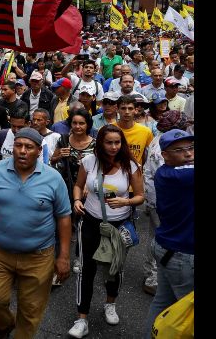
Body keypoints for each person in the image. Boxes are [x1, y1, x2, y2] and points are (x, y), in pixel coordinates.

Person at [0, 127, 71, 339]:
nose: (22, 151)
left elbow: (64, 217)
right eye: (18, 145)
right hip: (0, 252)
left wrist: (64, 256)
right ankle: (5, 324)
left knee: (30, 310)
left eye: (29, 147)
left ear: (39, 151)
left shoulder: (53, 178)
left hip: (39, 256)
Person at [68, 124, 144, 338]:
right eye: (108, 142)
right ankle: (81, 319)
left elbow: (140, 196)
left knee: (115, 268)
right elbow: (78, 184)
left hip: (119, 226)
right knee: (86, 269)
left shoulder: (131, 165)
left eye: (117, 142)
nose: (113, 147)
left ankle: (110, 304)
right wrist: (76, 200)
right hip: (91, 222)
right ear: (100, 143)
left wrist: (126, 201)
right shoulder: (89, 161)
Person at [142, 129, 194, 338]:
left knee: (162, 303)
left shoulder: (168, 172)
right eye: (180, 150)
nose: (188, 153)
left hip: (167, 249)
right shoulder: (179, 176)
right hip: (182, 255)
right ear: (164, 155)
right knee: (187, 314)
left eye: (190, 147)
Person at [116, 95, 153, 166]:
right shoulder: (106, 130)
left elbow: (149, 156)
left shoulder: (146, 131)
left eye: (130, 108)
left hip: (136, 173)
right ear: (117, 109)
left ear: (135, 110)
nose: (127, 112)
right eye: (123, 108)